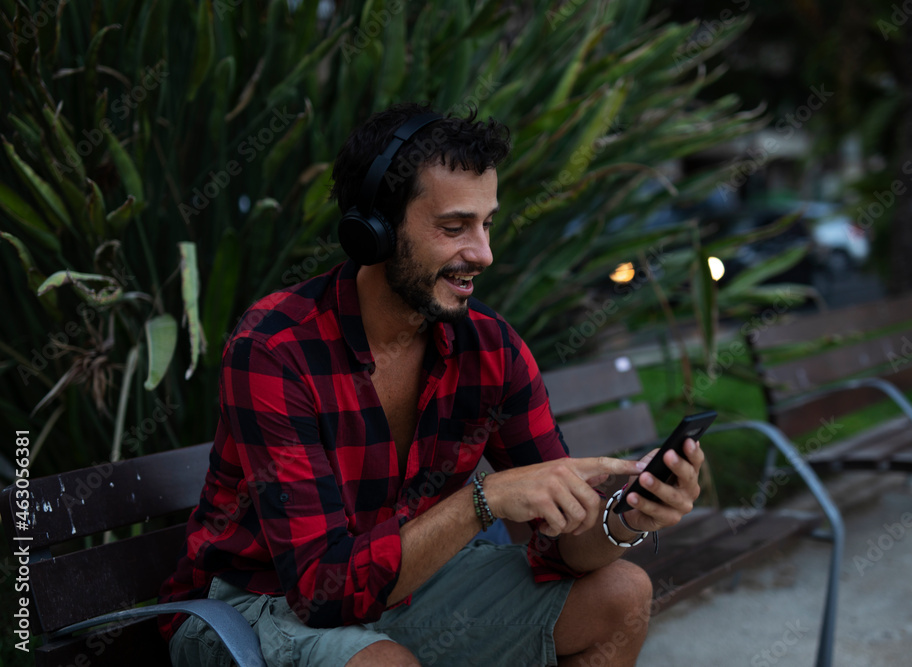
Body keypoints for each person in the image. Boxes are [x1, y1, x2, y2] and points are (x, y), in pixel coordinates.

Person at [159, 103, 705, 667]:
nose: (483, 254)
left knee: (622, 595)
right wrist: (486, 499)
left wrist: (628, 516)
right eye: (454, 228)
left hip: (404, 588)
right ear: (373, 230)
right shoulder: (276, 348)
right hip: (252, 605)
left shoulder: (491, 349)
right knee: (384, 664)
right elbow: (325, 591)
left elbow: (566, 548)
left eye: (487, 223)